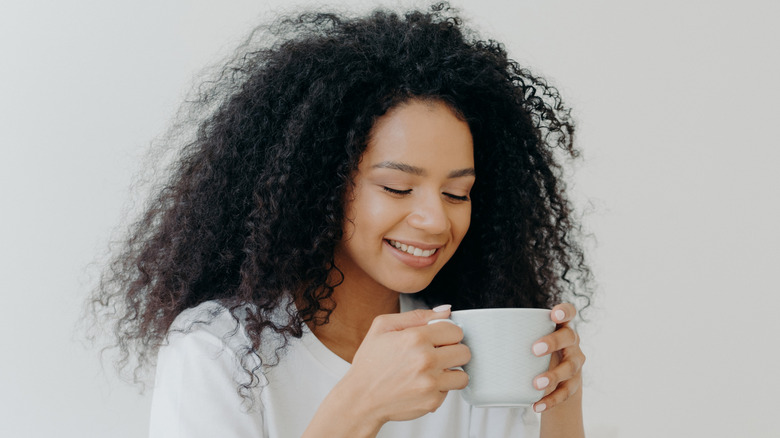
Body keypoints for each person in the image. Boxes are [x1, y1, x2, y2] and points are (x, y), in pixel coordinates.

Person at [90, 3, 592, 437]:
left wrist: (562, 399)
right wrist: (361, 404)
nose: (435, 220)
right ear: (321, 185)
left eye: (457, 193)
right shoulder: (218, 351)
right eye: (397, 187)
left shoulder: (466, 344)